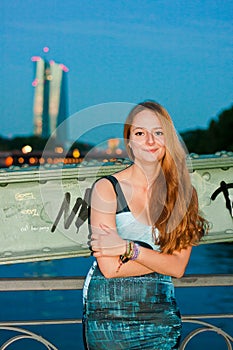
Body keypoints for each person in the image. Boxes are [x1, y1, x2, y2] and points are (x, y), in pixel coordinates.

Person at [82, 101, 207, 350]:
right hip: (109, 318)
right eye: (140, 133)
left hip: (161, 319)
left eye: (158, 132)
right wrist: (162, 259)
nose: (150, 140)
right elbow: (110, 269)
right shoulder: (107, 189)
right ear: (129, 142)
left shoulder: (184, 193)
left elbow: (179, 267)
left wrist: (126, 248)